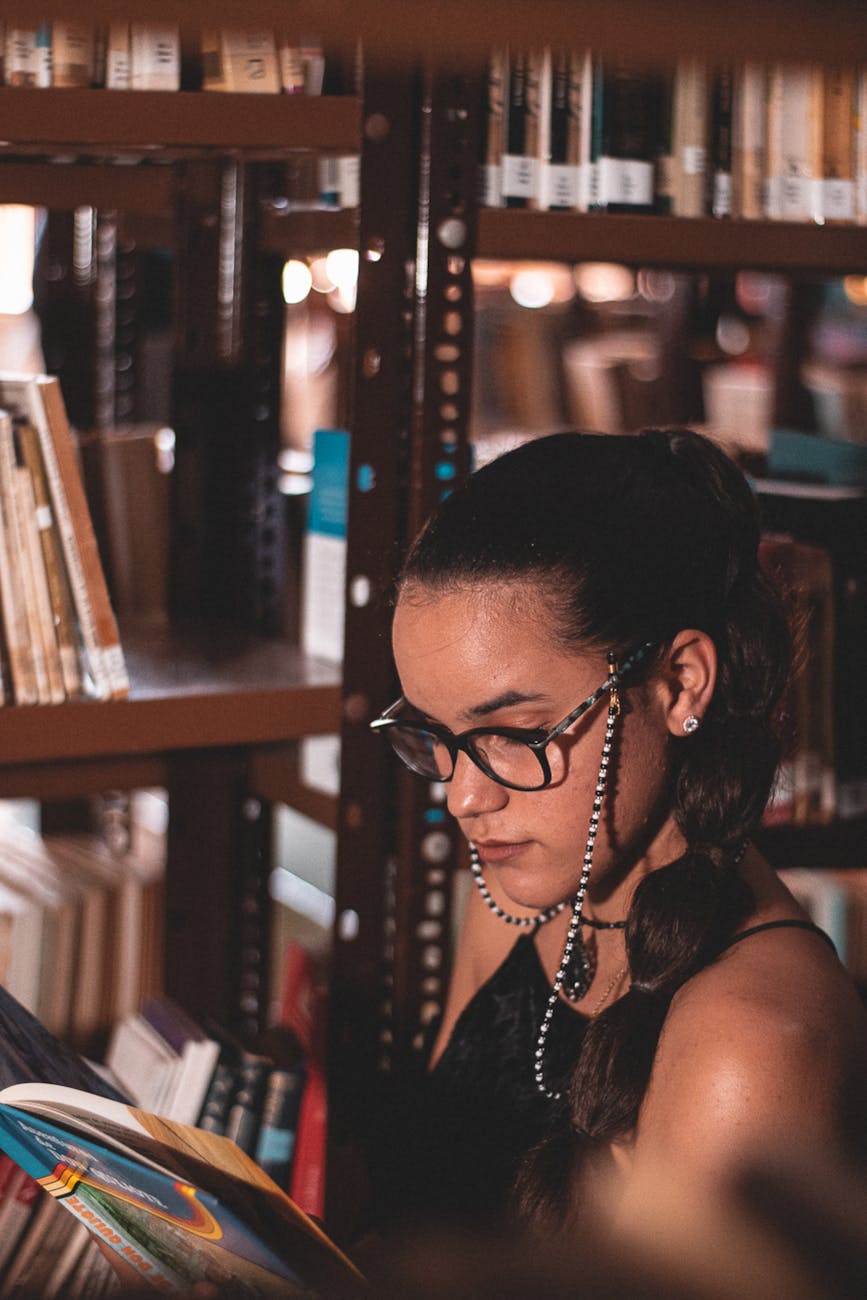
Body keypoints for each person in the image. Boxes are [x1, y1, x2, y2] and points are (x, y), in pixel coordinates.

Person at [366, 427, 867, 1243]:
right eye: (438, 736)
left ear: (679, 684)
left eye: (516, 734)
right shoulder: (515, 895)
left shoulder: (752, 1046)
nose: (462, 797)